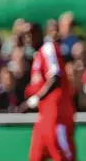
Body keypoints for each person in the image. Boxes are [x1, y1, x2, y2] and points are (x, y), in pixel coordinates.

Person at [20, 23, 76, 161]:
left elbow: (55, 77)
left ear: (39, 33)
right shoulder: (37, 55)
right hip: (44, 118)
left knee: (63, 156)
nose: (28, 39)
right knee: (35, 156)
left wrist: (34, 99)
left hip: (57, 116)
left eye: (31, 34)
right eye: (25, 35)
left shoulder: (48, 48)